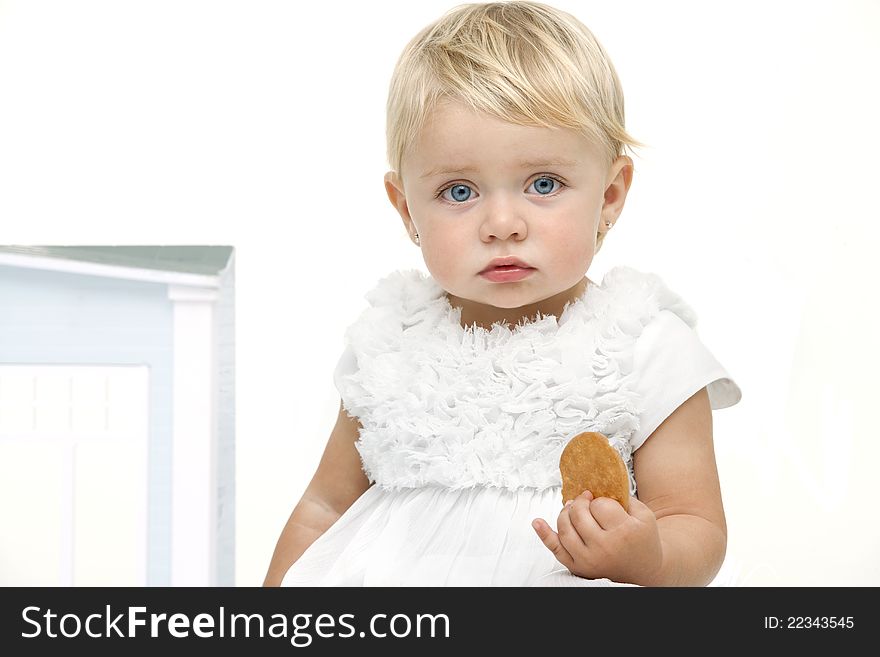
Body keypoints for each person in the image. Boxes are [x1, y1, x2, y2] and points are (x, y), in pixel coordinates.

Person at [264, 0, 741, 587]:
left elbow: (694, 522)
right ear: (406, 209)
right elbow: (325, 510)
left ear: (610, 195)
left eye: (544, 184)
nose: (502, 223)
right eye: (458, 191)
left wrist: (651, 556)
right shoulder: (390, 343)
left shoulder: (642, 345)